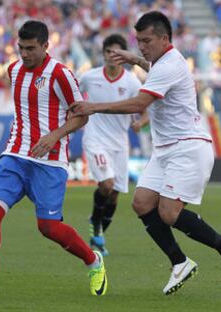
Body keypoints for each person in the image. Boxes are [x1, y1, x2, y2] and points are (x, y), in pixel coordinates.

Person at [71, 11, 221, 295]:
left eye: (146, 40)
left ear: (165, 39)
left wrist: (94, 106)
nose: (142, 46)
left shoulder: (170, 65)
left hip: (188, 146)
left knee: (168, 213)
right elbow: (152, 67)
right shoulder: (163, 61)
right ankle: (180, 262)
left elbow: (140, 102)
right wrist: (136, 59)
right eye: (138, 40)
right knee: (141, 203)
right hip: (166, 149)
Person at [0, 20, 107, 300]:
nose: (24, 54)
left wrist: (55, 135)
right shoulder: (13, 70)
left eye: (30, 49)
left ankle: (92, 260)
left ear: (45, 46)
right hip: (14, 155)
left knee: (48, 227)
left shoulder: (60, 74)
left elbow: (82, 114)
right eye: (20, 48)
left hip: (49, 161)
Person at [79, 33, 148, 256]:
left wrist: (141, 123)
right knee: (106, 185)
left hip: (120, 142)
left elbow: (147, 108)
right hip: (95, 138)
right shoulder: (89, 77)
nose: (112, 56)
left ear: (124, 56)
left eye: (117, 52)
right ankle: (96, 226)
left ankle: (97, 232)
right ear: (103, 54)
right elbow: (71, 96)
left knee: (116, 193)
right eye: (108, 52)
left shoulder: (131, 81)